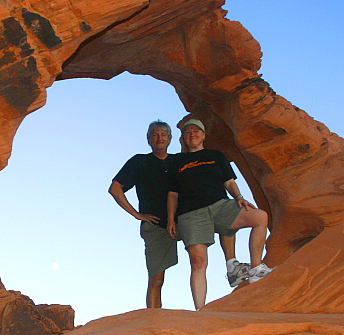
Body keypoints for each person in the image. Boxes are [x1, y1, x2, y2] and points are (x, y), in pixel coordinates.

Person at [108, 120, 248, 309]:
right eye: (155, 135)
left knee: (223, 216)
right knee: (156, 278)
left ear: (171, 139)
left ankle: (231, 265)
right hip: (157, 225)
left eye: (164, 135)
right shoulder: (139, 161)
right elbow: (115, 188)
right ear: (149, 139)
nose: (160, 138)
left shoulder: (178, 161)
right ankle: (153, 321)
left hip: (186, 219)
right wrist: (137, 214)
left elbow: (206, 167)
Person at [167, 119, 272, 310]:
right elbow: (172, 194)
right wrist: (170, 219)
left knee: (260, 217)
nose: (192, 134)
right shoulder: (176, 162)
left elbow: (229, 181)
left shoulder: (216, 155)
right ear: (183, 138)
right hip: (191, 214)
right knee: (198, 262)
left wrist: (239, 196)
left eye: (196, 131)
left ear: (204, 135)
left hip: (220, 206)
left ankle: (256, 268)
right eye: (188, 132)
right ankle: (200, 310)